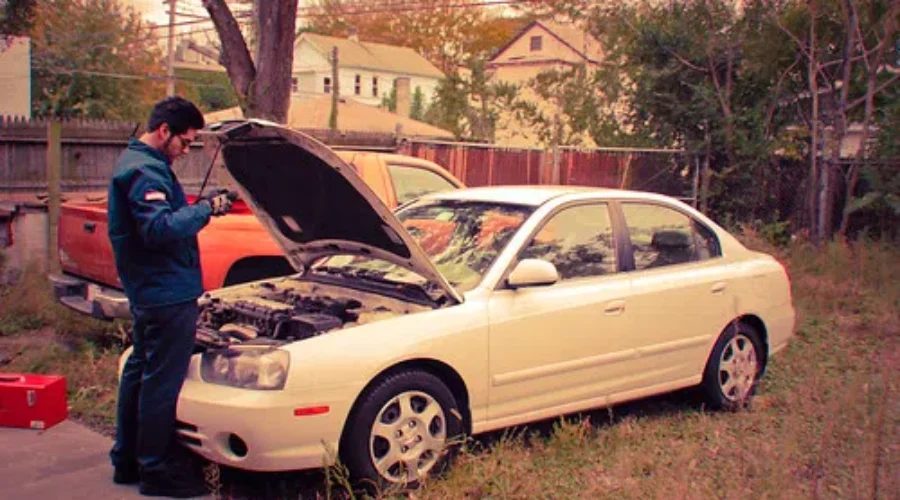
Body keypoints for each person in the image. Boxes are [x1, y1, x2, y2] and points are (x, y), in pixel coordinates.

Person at [107, 96, 233, 498]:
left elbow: (159, 219)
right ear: (165, 131)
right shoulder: (145, 170)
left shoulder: (140, 163)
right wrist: (207, 210)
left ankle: (127, 460)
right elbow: (158, 229)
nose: (186, 150)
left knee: (139, 372)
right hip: (166, 293)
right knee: (161, 380)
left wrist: (198, 206)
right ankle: (156, 470)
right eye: (185, 142)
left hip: (149, 290)